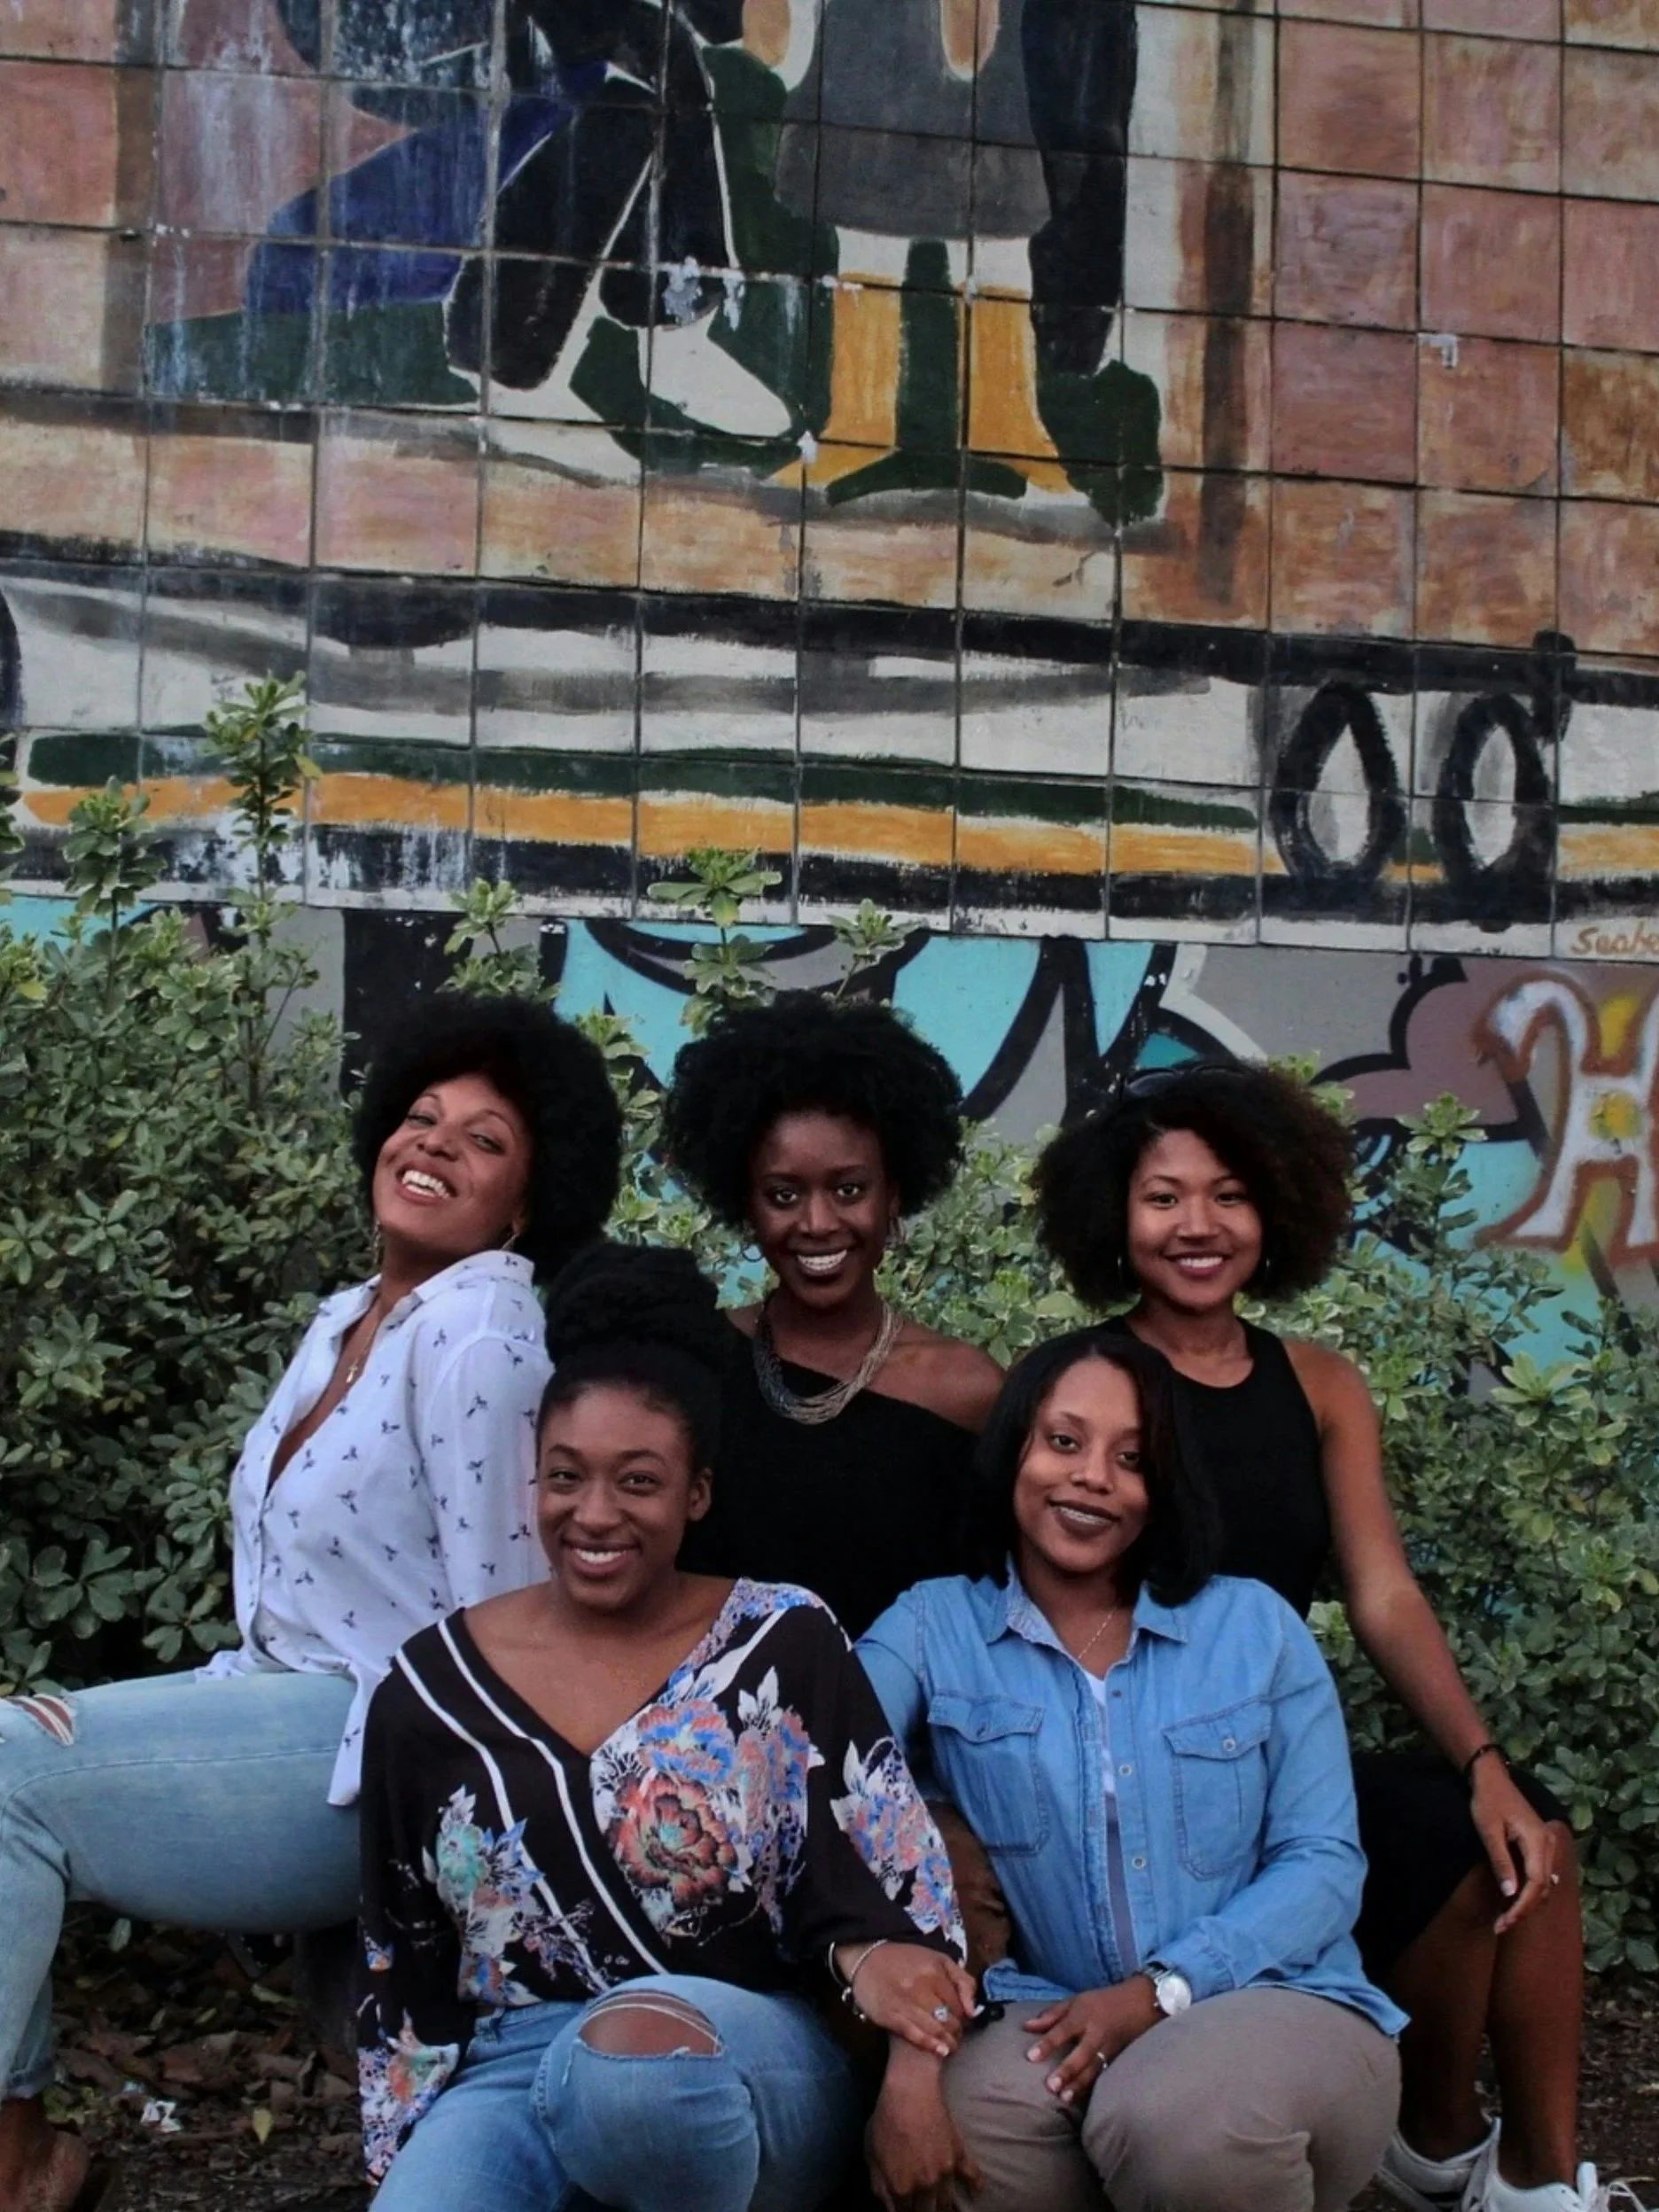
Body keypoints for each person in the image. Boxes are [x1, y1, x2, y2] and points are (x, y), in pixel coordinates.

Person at [0, 992, 622, 2212]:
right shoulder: (355, 1314)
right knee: (20, 1749)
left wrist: (477, 1891)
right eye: (423, 1116)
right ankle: (21, 2153)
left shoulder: (485, 1330)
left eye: (484, 1141)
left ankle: (17, 2167)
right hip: (276, 1702)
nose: (434, 1143)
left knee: (6, 1780)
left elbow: (508, 1612)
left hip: (372, 1755)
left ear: (529, 1203)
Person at [1032, 1061, 1606, 2212]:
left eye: (1231, 1193)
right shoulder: (1076, 1382)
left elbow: (1383, 1594)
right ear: (1113, 1214)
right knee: (1443, 1843)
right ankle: (1429, 2136)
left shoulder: (1323, 1386)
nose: (1199, 1224)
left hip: (1280, 1770)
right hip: (1138, 1791)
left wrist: (1480, 1763)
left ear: (1278, 1209)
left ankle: (1519, 2172)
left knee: (1512, 1836)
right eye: (1164, 1197)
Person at [356, 1242, 975, 2212]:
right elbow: (405, 1959)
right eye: (566, 1477)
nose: (594, 1514)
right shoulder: (430, 1689)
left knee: (633, 2075)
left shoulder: (781, 1644)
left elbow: (903, 1904)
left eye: (638, 1482)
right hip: (514, 2069)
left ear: (698, 1494)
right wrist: (408, 2153)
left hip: (736, 2059)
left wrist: (912, 2084)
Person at [857, 1327, 1404, 2212]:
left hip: (1273, 1997)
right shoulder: (933, 1628)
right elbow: (828, 1776)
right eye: (1064, 1442)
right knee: (958, 2146)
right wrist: (914, 2060)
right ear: (1015, 1453)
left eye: (1132, 1457)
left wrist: (1160, 1991)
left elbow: (1324, 1865)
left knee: (1180, 2124)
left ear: (1164, 1486)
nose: (1091, 1478)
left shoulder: (1254, 1630)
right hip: (1049, 2006)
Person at [659, 990, 1002, 1640]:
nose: (817, 1223)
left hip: (897, 1731)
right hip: (709, 1733)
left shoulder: (967, 1391)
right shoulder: (698, 1361)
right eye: (783, 1194)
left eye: (849, 1190)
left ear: (893, 1194)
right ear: (747, 1204)